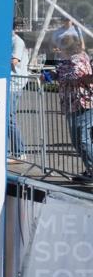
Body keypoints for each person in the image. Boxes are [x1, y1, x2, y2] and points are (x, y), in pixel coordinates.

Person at [57, 33, 93, 183]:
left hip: (80, 103)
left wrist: (55, 74)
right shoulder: (76, 58)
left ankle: (91, 171)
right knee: (80, 140)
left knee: (81, 140)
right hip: (76, 104)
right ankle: (90, 170)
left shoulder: (76, 60)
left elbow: (73, 76)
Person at [8, 21, 29, 159]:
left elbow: (14, 61)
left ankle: (19, 151)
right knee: (6, 118)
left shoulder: (18, 42)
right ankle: (14, 151)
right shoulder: (6, 40)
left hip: (14, 84)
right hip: (8, 83)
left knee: (9, 118)